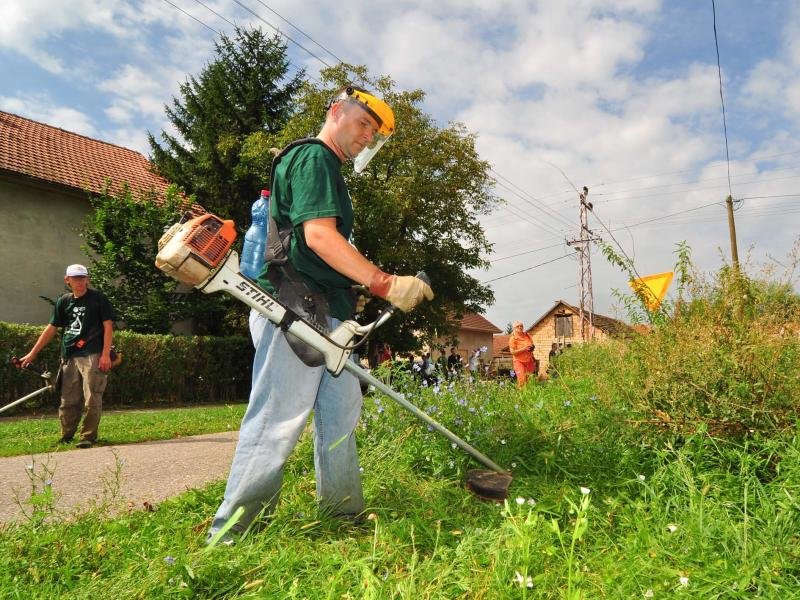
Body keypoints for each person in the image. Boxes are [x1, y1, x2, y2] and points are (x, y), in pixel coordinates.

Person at [207, 85, 434, 543]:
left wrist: (356, 286)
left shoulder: (326, 168)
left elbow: (322, 248)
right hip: (295, 308)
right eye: (363, 123)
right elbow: (319, 238)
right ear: (335, 112)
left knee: (340, 418)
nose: (367, 137)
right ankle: (231, 535)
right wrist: (385, 283)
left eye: (374, 133)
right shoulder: (315, 158)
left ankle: (342, 516)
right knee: (277, 420)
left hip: (328, 314)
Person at [19, 264, 116, 448]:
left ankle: (88, 436)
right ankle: (67, 436)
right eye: (75, 278)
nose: (79, 281)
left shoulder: (98, 299)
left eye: (82, 278)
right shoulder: (64, 301)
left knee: (92, 397)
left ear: (87, 279)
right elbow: (52, 328)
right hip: (69, 355)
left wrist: (105, 355)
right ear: (67, 280)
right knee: (68, 399)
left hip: (92, 354)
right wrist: (32, 353)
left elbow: (108, 326)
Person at [508, 321, 536, 389]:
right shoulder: (513, 338)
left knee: (529, 380)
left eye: (521, 326)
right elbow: (512, 352)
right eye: (518, 326)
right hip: (519, 361)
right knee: (522, 380)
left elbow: (531, 345)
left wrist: (532, 348)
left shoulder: (527, 335)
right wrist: (524, 349)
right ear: (514, 328)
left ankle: (528, 394)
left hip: (529, 360)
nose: (520, 327)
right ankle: (520, 394)